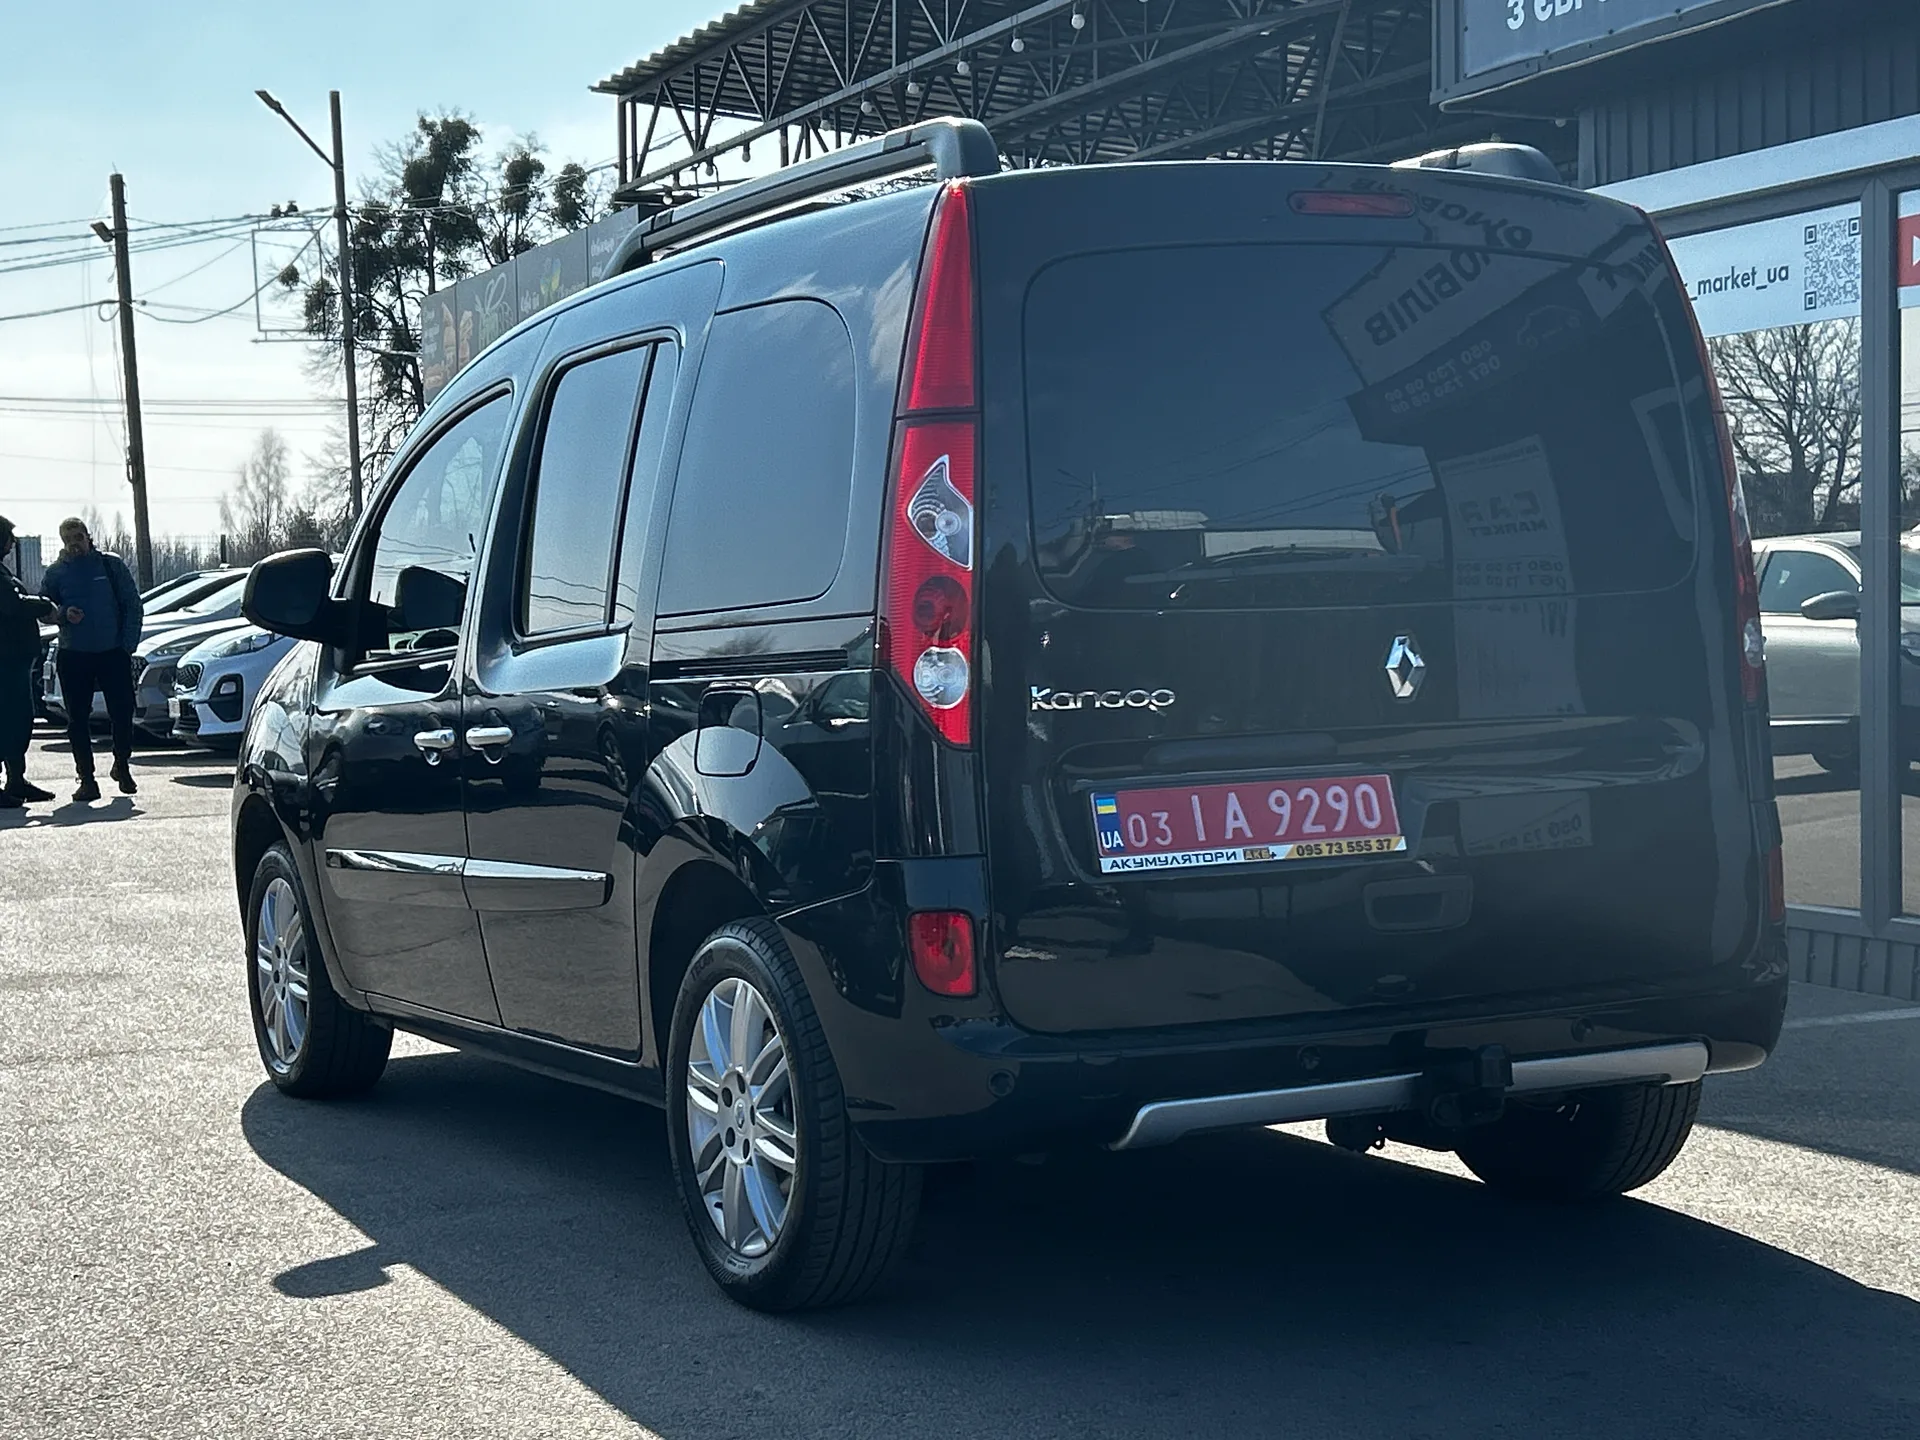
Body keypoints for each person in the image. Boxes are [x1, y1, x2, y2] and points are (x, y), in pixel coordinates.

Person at [39, 517, 143, 803]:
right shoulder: (57, 573)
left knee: (122, 712)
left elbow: (133, 604)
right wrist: (62, 613)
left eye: (79, 536)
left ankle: (122, 764)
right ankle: (86, 779)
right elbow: (42, 607)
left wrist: (127, 645)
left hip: (113, 652)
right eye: (69, 538)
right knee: (77, 719)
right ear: (63, 542)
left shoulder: (110, 565)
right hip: (74, 654)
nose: (75, 542)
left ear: (89, 536)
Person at [0, 515, 57, 808]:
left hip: (14, 659)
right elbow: (11, 605)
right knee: (7, 719)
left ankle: (16, 780)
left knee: (19, 720)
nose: (11, 546)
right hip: (5, 662)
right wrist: (44, 605)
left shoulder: (3, 572)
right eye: (8, 539)